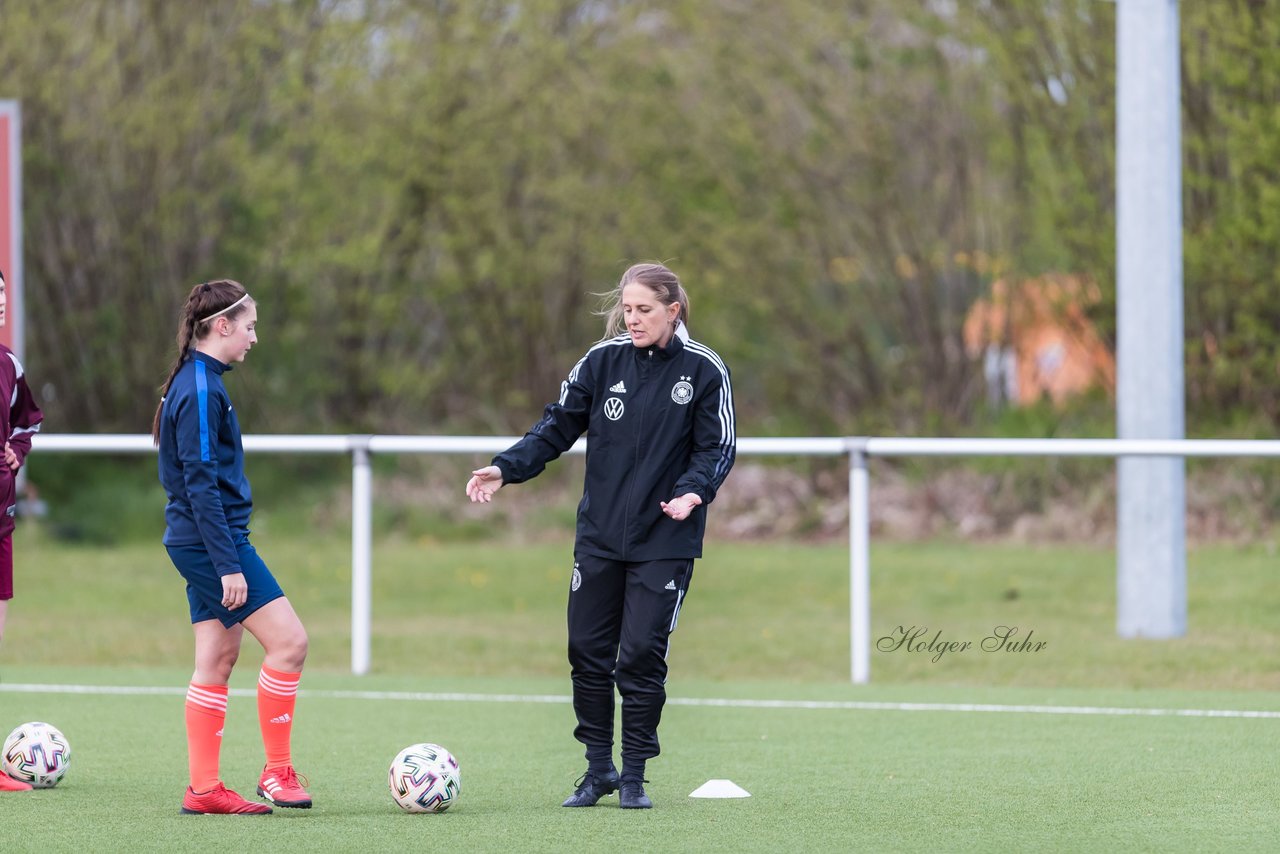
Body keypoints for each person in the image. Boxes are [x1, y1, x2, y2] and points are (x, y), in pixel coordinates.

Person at [466, 262, 736, 810]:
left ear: (673, 311)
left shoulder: (704, 370)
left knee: (638, 655)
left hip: (666, 538)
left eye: (644, 310)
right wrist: (505, 468)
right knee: (587, 653)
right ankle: (597, 771)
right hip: (599, 537)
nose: (632, 320)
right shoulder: (601, 360)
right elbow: (556, 426)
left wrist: (692, 493)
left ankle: (635, 775)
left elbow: (717, 447)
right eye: (627, 309)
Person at [153, 280, 311, 816]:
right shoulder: (199, 387)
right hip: (208, 541)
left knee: (217, 658)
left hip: (199, 537)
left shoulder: (201, 381)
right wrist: (227, 564)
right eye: (249, 326)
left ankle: (203, 790)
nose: (254, 337)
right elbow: (199, 480)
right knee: (290, 642)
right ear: (222, 326)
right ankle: (277, 773)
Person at [0, 267, 44, 793]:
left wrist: (16, 452)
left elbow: (26, 420)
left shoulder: (8, 363)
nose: (2, 303)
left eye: (3, 294)